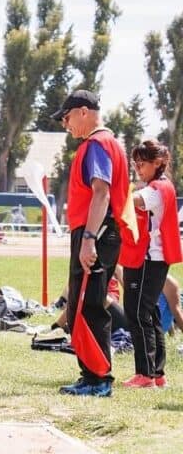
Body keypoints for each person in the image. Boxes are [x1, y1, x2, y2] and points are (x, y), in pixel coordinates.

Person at [52, 89, 133, 398]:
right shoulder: (107, 144)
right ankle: (91, 376)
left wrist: (88, 239)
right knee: (82, 305)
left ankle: (99, 380)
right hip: (97, 231)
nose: (65, 124)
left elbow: (102, 192)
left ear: (84, 112)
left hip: (95, 232)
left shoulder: (97, 144)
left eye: (67, 117)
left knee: (88, 307)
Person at [119, 139, 182, 389]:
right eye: (135, 164)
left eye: (142, 164)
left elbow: (132, 202)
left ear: (158, 163)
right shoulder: (161, 186)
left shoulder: (156, 189)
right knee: (150, 313)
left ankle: (145, 373)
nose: (138, 168)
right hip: (152, 259)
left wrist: (114, 190)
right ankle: (156, 373)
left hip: (148, 259)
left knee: (138, 313)